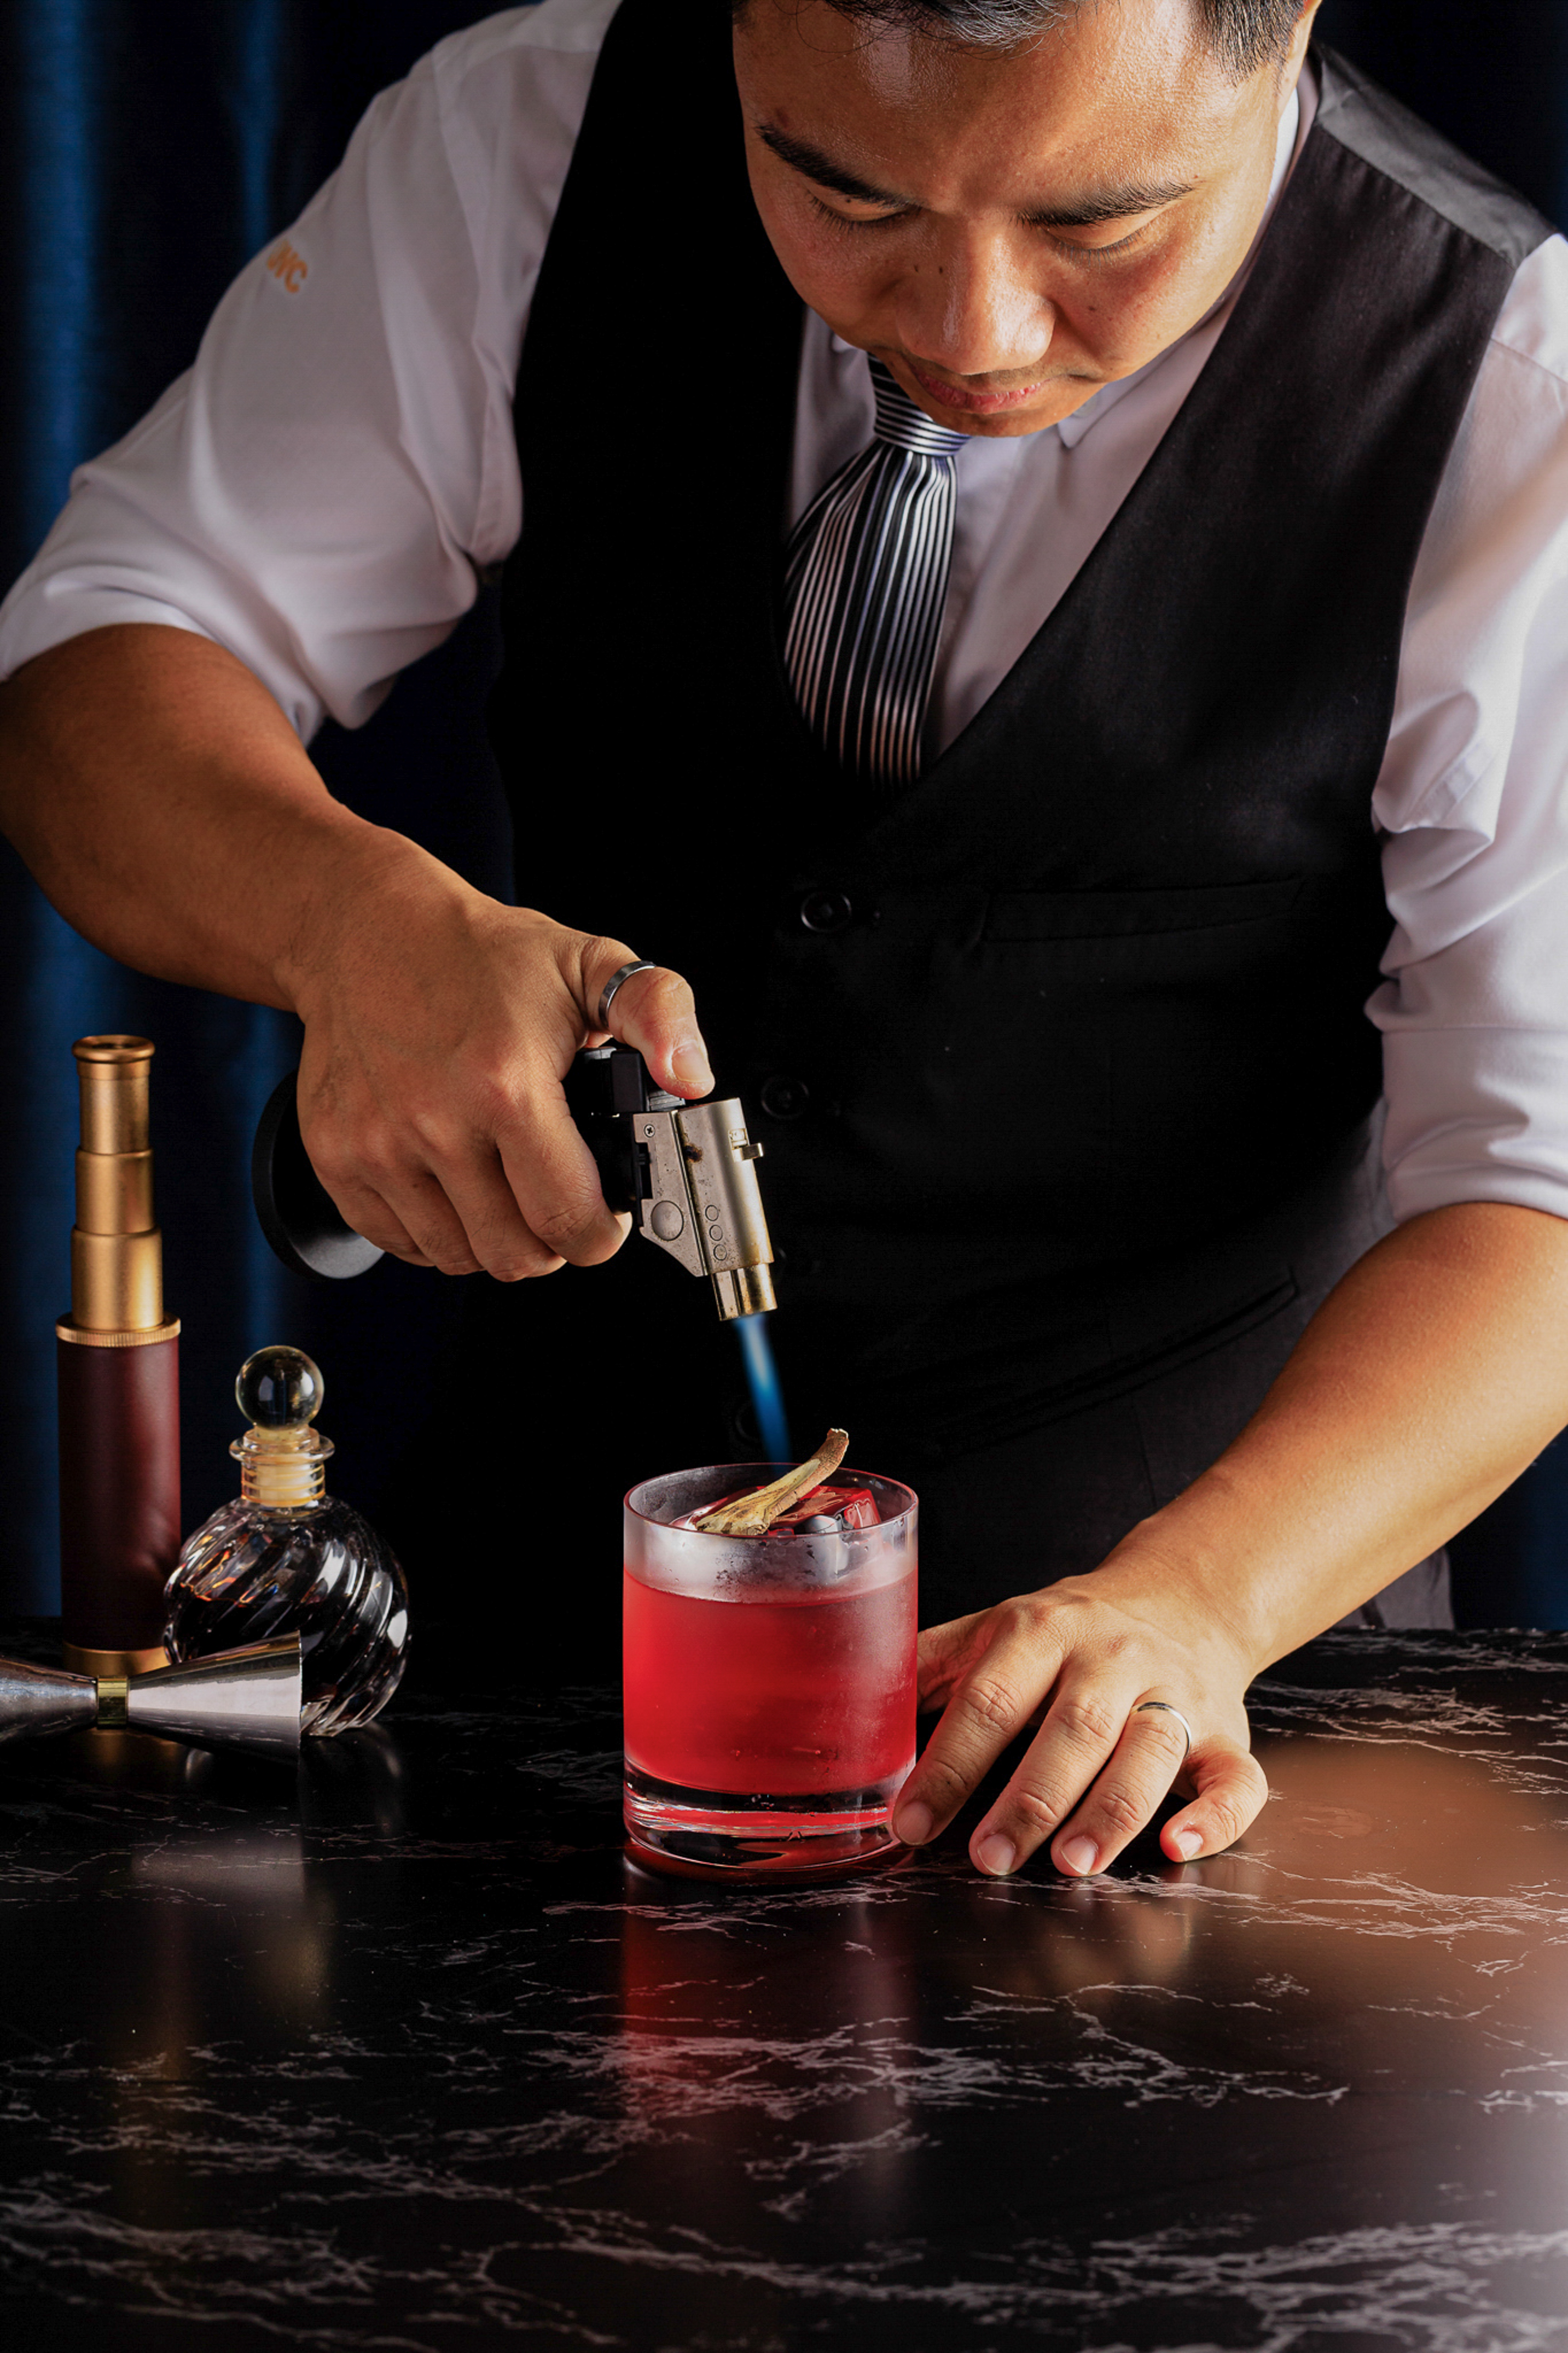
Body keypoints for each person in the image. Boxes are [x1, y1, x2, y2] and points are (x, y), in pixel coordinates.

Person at [5, 0, 1568, 1885]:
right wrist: (350, 921)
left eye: (1098, 229)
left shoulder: (1504, 382)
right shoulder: (531, 137)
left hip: (1198, 1728)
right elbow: (99, 664)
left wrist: (1198, 1599)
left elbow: (1537, 1189)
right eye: (842, 191)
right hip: (542, 1694)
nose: (967, 334)